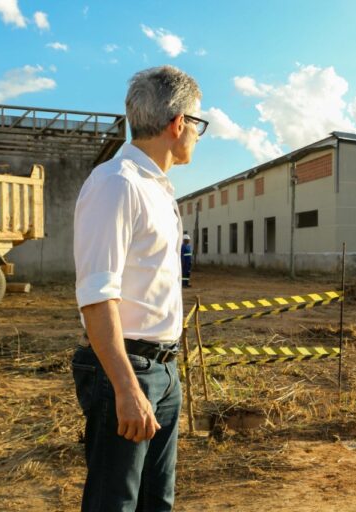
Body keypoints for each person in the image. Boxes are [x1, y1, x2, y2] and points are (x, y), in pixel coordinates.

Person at [72, 65, 208, 512]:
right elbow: (97, 295)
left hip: (163, 372)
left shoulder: (157, 189)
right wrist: (127, 389)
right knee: (115, 503)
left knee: (156, 502)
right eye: (198, 124)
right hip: (127, 372)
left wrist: (166, 374)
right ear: (178, 124)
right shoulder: (117, 184)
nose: (196, 136)